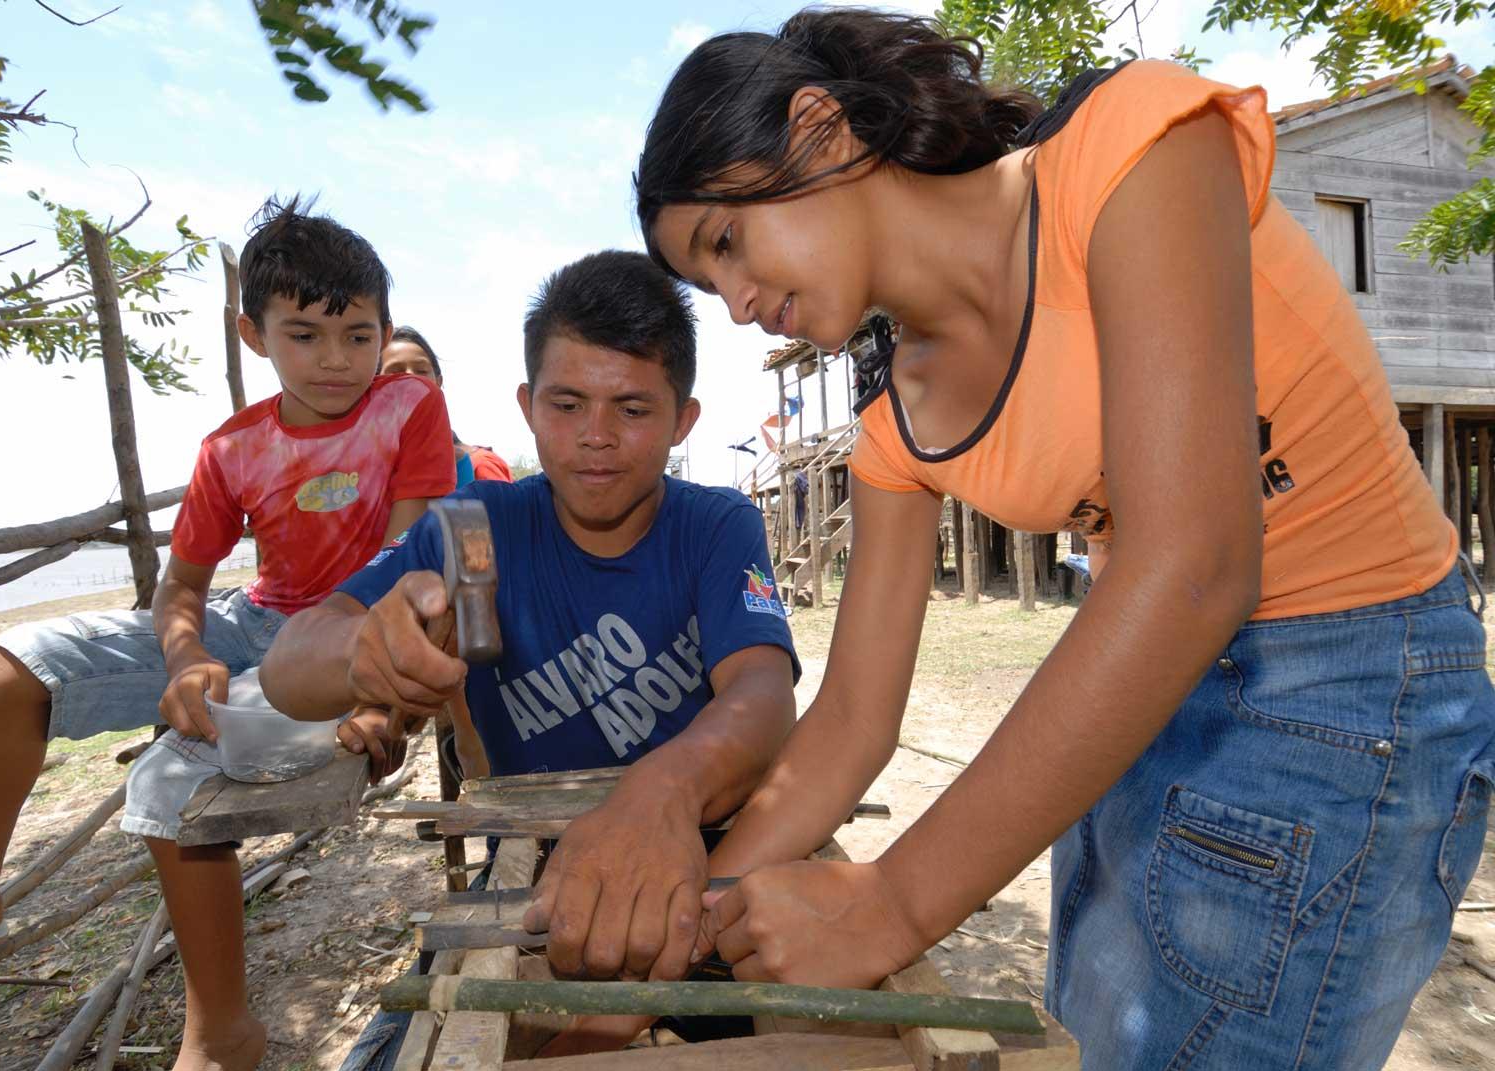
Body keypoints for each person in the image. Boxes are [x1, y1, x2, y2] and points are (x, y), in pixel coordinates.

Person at [629, 10, 1495, 1069]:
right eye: (706, 284)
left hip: (1352, 679)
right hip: (1131, 689)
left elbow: (1192, 569)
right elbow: (853, 718)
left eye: (726, 242)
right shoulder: (893, 422)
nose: (736, 302)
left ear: (820, 128)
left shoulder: (1127, 145)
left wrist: (889, 904)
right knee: (1095, 1047)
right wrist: (675, 924)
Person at [0, 198, 457, 1071]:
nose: (336, 359)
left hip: (346, 633)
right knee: (18, 666)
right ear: (252, 334)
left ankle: (220, 1033)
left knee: (174, 776)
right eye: (304, 334)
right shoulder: (231, 448)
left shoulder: (407, 410)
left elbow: (411, 563)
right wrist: (185, 654)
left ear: (385, 331)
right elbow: (183, 585)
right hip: (252, 621)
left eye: (358, 335)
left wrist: (378, 703)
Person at [260, 250, 799, 1060]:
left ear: (683, 419)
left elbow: (762, 694)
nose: (595, 437)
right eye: (568, 402)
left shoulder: (716, 526)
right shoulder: (476, 525)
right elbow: (286, 665)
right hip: (532, 870)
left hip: (711, 852)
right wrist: (363, 650)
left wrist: (661, 795)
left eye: (632, 409)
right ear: (527, 405)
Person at [381, 325, 516, 486]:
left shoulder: (461, 463)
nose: (411, 378)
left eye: (422, 371)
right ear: (374, 384)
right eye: (396, 372)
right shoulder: (355, 459)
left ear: (438, 383)